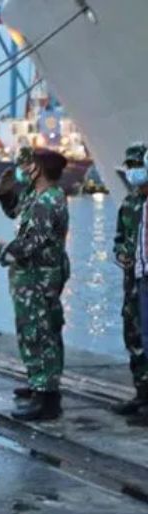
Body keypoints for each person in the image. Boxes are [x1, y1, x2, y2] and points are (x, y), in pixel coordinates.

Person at [0, 147, 70, 421]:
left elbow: (32, 242)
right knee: (30, 330)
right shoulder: (37, 196)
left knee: (40, 332)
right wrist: (5, 191)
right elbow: (15, 211)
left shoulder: (49, 201)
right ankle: (38, 383)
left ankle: (47, 398)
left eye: (29, 164)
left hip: (39, 277)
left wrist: (1, 250)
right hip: (29, 276)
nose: (25, 168)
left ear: (40, 168)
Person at [112, 142, 148, 424]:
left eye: (137, 166)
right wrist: (121, 253)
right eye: (131, 166)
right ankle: (141, 393)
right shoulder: (129, 203)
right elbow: (119, 238)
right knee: (133, 335)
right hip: (132, 280)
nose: (133, 172)